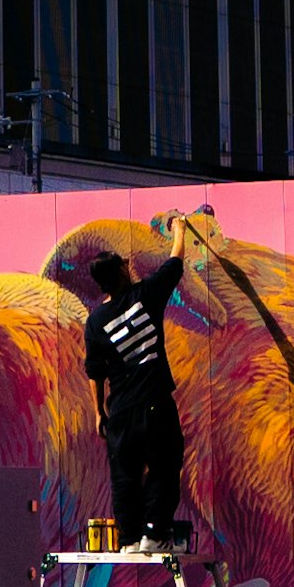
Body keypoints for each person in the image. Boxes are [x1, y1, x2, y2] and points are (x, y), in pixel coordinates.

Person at [75, 236, 193, 552]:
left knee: (124, 475)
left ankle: (128, 539)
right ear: (122, 272)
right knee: (165, 465)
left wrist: (99, 411)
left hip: (121, 411)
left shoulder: (96, 321)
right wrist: (179, 230)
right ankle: (154, 534)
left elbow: (94, 371)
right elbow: (174, 263)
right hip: (154, 402)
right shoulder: (145, 295)